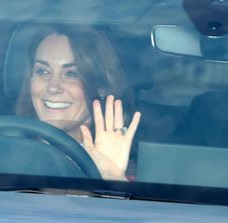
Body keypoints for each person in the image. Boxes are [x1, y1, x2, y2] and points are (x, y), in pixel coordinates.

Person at [15, 24, 141, 181]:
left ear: (101, 87)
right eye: (42, 71)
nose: (53, 87)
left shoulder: (135, 174)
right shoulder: (0, 154)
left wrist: (110, 177)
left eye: (71, 74)